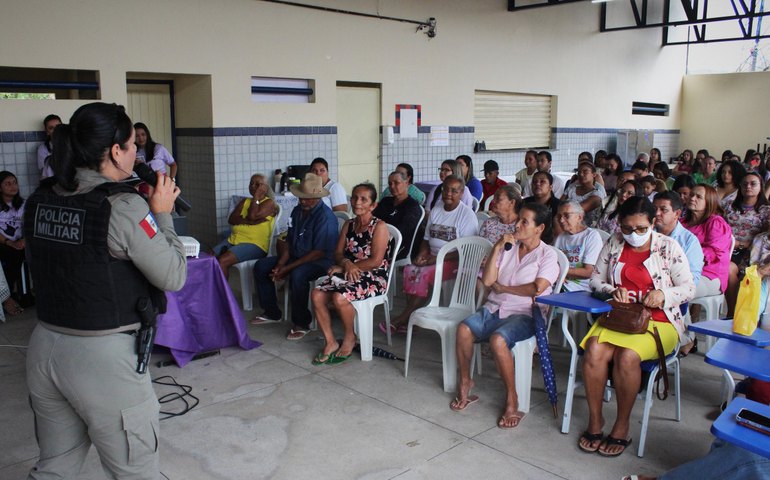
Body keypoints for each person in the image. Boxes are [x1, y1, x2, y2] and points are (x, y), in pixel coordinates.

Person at [23, 102, 186, 479]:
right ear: (116, 151)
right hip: (102, 358)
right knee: (136, 471)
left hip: (45, 345)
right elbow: (174, 275)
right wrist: (161, 213)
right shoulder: (123, 206)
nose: (136, 153)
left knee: (55, 467)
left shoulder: (41, 198)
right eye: (132, 146)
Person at [579, 197, 695, 457]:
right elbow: (595, 281)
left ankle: (622, 425)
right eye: (627, 228)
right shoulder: (613, 242)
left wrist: (663, 295)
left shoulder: (668, 247)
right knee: (594, 350)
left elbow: (688, 288)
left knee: (627, 355)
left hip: (659, 321)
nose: (633, 235)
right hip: (621, 315)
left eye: (641, 228)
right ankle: (595, 421)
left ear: (653, 223)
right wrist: (612, 290)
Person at [451, 203, 559, 428]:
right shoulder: (508, 247)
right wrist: (498, 247)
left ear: (539, 228)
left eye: (524, 222)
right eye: (518, 219)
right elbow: (489, 281)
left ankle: (512, 398)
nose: (517, 225)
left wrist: (505, 289)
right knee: (463, 329)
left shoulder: (547, 255)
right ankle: (465, 382)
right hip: (494, 307)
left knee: (498, 340)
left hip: (526, 313)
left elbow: (536, 288)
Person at [385, 175, 478, 334]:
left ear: (461, 193)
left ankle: (404, 318)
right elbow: (426, 240)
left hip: (455, 261)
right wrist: (422, 254)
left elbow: (467, 250)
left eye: (454, 191)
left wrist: (438, 258)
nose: (449, 193)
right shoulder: (436, 209)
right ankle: (412, 321)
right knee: (410, 270)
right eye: (446, 189)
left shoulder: (466, 215)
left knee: (424, 274)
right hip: (433, 258)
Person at [311, 184, 391, 365]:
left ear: (373, 205)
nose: (357, 202)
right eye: (355, 197)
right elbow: (337, 254)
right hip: (349, 273)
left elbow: (376, 261)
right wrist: (346, 264)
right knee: (316, 294)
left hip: (374, 277)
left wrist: (348, 267)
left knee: (339, 298)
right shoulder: (348, 224)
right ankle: (330, 342)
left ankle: (349, 337)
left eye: (364, 199)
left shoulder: (379, 226)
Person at [252, 173, 338, 337]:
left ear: (317, 197)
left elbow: (317, 252)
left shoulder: (325, 218)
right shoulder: (298, 210)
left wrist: (288, 268)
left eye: (306, 198)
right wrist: (281, 264)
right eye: (300, 197)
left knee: (299, 274)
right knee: (261, 266)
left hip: (321, 261)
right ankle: (272, 312)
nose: (302, 201)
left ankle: (302, 322)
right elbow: (288, 240)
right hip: (297, 255)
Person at [654, 191, 706, 355]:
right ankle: (685, 340)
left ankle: (680, 341)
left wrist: (665, 288)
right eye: (654, 209)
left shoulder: (689, 241)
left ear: (677, 213)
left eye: (663, 209)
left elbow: (692, 280)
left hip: (672, 290)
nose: (657, 214)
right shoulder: (646, 234)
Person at [722, 172, 770, 317]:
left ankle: (736, 312)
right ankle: (732, 311)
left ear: (760, 187)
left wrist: (742, 244)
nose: (748, 186)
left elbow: (764, 236)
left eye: (753, 183)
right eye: (745, 184)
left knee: (733, 269)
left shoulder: (766, 210)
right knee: (725, 266)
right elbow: (721, 229)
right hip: (728, 248)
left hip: (751, 250)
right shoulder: (729, 207)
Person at [212, 174, 275, 278]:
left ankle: (224, 294)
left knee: (222, 261)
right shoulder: (245, 201)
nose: (253, 186)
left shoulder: (269, 203)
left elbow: (252, 216)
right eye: (251, 184)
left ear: (265, 188)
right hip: (234, 240)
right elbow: (232, 219)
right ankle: (212, 291)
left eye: (257, 184)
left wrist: (256, 197)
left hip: (255, 244)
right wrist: (248, 222)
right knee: (210, 257)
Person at [554, 200, 603, 292]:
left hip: (581, 289)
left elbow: (589, 272)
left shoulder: (591, 236)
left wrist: (560, 271)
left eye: (566, 216)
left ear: (579, 217)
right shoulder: (560, 238)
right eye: (559, 216)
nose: (561, 220)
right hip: (560, 284)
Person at [373, 171, 422, 260]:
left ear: (406, 183)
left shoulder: (412, 206)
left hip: (398, 246)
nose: (392, 186)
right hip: (377, 240)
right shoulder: (386, 201)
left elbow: (403, 231)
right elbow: (373, 219)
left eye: (396, 183)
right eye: (390, 183)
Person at [0, 171, 28, 304]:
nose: (13, 186)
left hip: (20, 242)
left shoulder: (24, 204)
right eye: (8, 184)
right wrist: (8, 242)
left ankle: (25, 293)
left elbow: (30, 226)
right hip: (3, 242)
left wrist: (24, 240)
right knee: (12, 255)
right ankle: (8, 297)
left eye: (15, 182)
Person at [561, 162, 606, 227]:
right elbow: (560, 204)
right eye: (579, 172)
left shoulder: (597, 195)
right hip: (565, 222)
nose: (581, 174)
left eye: (585, 171)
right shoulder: (572, 188)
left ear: (593, 174)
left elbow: (576, 212)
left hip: (584, 228)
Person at [36, 114, 61, 180]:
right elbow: (45, 172)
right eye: (51, 128)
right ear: (47, 132)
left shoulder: (71, 145)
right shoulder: (43, 149)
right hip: (52, 184)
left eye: (58, 127)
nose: (55, 130)